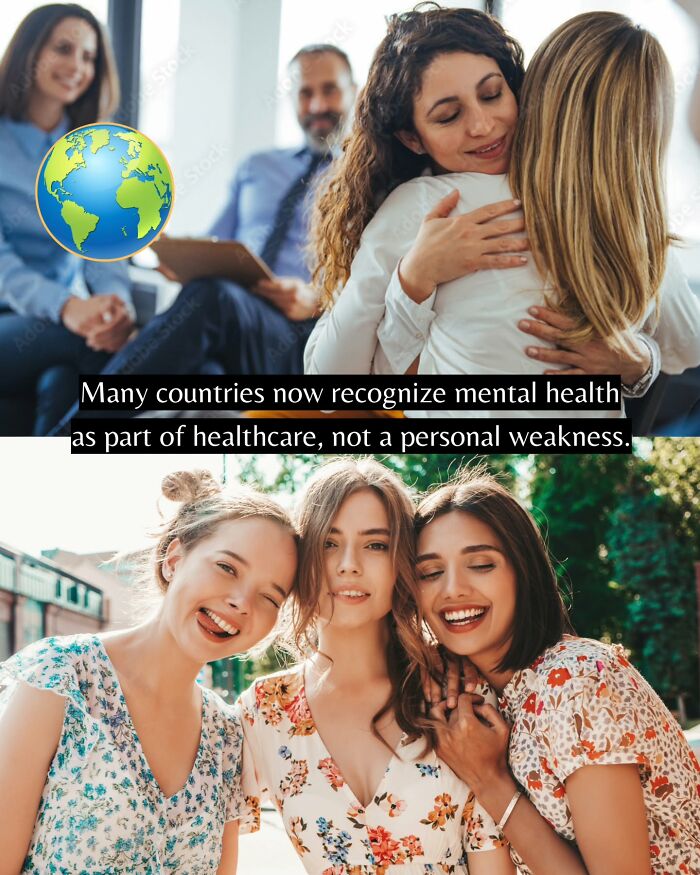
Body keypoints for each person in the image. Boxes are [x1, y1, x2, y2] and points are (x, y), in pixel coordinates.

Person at [305, 7, 700, 420]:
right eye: (448, 115)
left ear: (522, 90)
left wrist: (411, 280)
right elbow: (687, 349)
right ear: (412, 138)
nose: (482, 126)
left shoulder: (421, 206)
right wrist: (639, 362)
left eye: (492, 93)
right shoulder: (634, 222)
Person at [49, 43, 358, 436]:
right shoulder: (258, 167)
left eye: (329, 90)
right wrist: (181, 257)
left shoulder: (368, 178)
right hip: (232, 318)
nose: (317, 106)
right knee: (201, 370)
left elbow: (377, 286)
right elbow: (219, 243)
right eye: (305, 93)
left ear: (355, 91)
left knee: (212, 299)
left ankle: (67, 435)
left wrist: (317, 298)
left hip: (301, 335)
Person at [0, 469, 298, 873]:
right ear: (174, 559)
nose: (242, 602)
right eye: (228, 568)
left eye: (269, 596)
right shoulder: (62, 677)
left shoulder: (228, 737)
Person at [410, 469, 700, 874]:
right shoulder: (499, 692)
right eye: (429, 573)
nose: (453, 588)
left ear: (522, 572)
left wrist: (489, 781)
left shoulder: (577, 682)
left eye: (480, 564)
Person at [236, 458, 515, 874]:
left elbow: (492, 860)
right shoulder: (263, 710)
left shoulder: (458, 691)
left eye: (375, 544)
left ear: (402, 561)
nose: (349, 563)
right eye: (329, 543)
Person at [0, 3, 134, 436]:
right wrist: (67, 308)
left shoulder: (93, 152)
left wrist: (117, 308)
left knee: (63, 379)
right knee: (82, 344)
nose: (78, 66)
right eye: (64, 48)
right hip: (16, 316)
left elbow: (104, 248)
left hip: (62, 323)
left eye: (89, 56)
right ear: (29, 52)